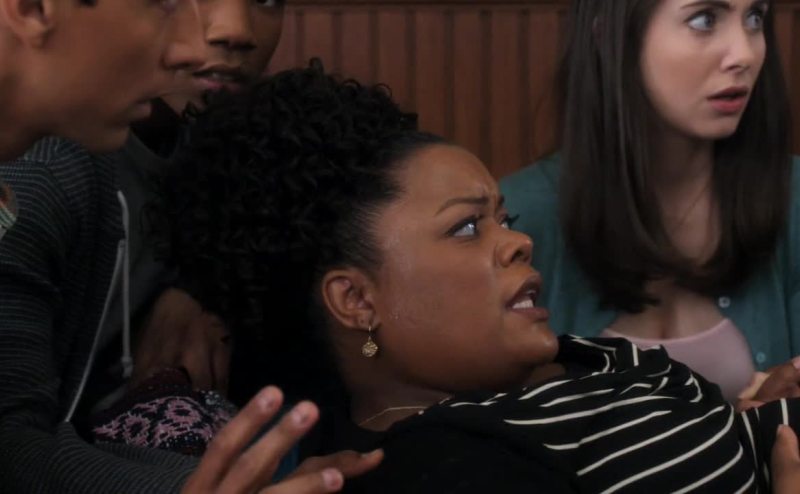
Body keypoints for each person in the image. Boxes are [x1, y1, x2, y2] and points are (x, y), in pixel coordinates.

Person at [158, 62, 800, 493]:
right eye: (467, 228)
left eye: (504, 219)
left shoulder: (551, 369)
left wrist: (758, 411)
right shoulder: (444, 466)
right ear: (356, 300)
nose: (519, 241)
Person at [0, 0, 382, 491]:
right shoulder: (45, 171)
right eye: (163, 4)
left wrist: (201, 284)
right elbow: (11, 446)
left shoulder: (237, 147)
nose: (225, 33)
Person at [499, 0, 799, 402]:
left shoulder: (793, 198)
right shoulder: (516, 219)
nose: (744, 54)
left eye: (754, 18)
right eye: (705, 19)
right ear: (608, 35)